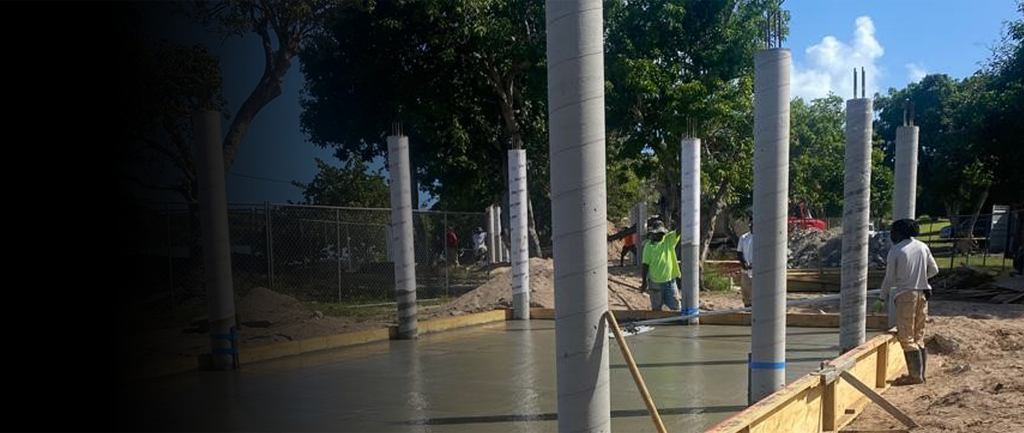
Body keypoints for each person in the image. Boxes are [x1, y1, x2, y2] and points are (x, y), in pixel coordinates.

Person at [879, 218, 939, 386]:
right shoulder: (922, 246)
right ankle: (921, 374)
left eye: (893, 232)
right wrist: (921, 280)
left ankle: (914, 376)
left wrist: (882, 297)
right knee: (919, 336)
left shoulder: (896, 250)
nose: (891, 236)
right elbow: (934, 270)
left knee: (906, 337)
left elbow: (889, 278)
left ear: (899, 233)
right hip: (923, 294)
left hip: (906, 295)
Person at [641, 219, 681, 311]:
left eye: (662, 233)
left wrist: (679, 217)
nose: (660, 235)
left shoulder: (668, 240)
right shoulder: (648, 246)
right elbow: (645, 265)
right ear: (653, 233)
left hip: (670, 282)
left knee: (676, 308)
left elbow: (680, 230)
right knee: (656, 310)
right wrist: (644, 282)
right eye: (658, 233)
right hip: (655, 283)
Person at [736, 223, 754, 308]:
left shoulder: (762, 237)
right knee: (746, 288)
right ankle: (747, 306)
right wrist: (743, 263)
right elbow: (739, 252)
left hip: (758, 269)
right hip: (746, 269)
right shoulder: (744, 237)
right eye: (751, 226)